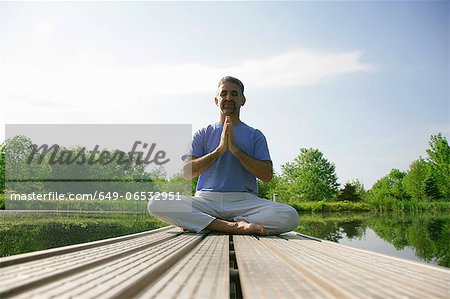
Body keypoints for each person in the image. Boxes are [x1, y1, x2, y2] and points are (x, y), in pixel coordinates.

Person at [148, 76, 299, 235]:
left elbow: (267, 175)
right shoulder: (203, 133)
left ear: (242, 100)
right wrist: (219, 151)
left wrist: (235, 150)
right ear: (216, 100)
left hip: (244, 202)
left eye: (234, 94)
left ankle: (207, 223)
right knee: (156, 202)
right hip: (206, 201)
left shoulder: (255, 135)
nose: (228, 98)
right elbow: (187, 173)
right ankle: (233, 226)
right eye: (223, 94)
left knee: (290, 215)